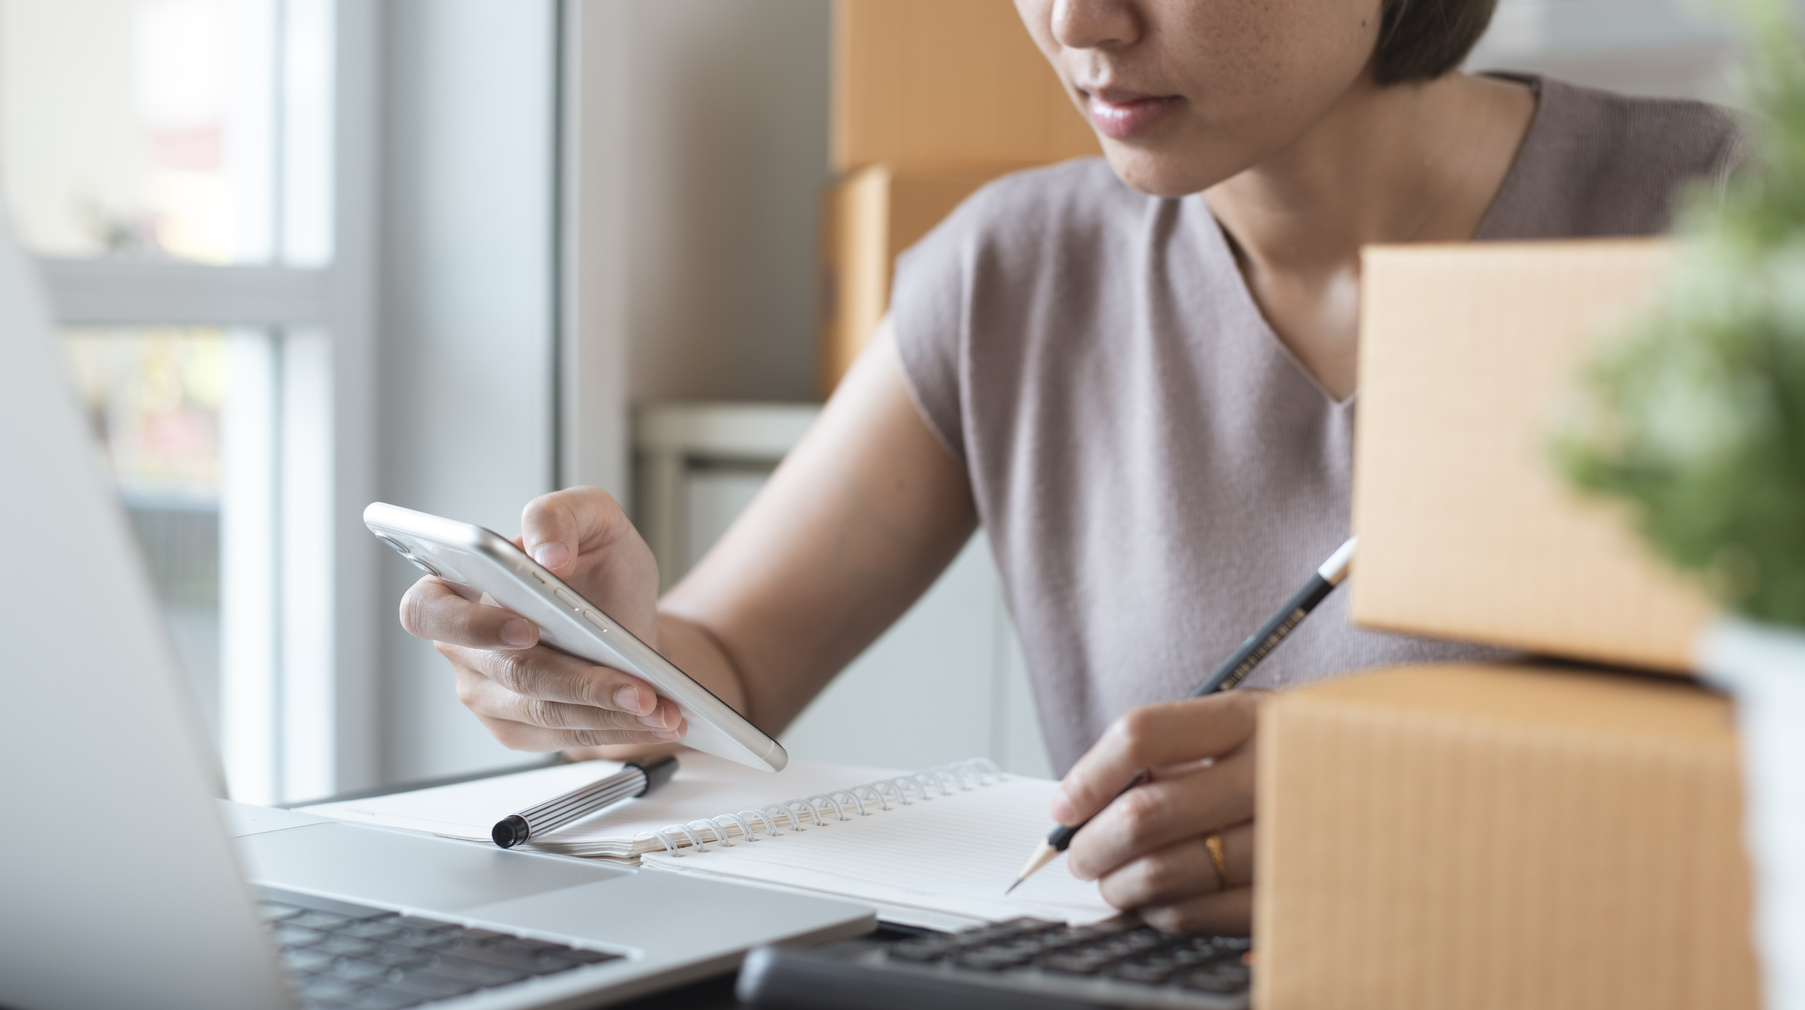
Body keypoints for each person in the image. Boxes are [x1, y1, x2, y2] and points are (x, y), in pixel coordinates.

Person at [399, 0, 1743, 935]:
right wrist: (602, 655)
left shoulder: (1740, 224)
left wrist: (1452, 813)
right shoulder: (1011, 271)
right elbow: (726, 671)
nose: (1076, 19)